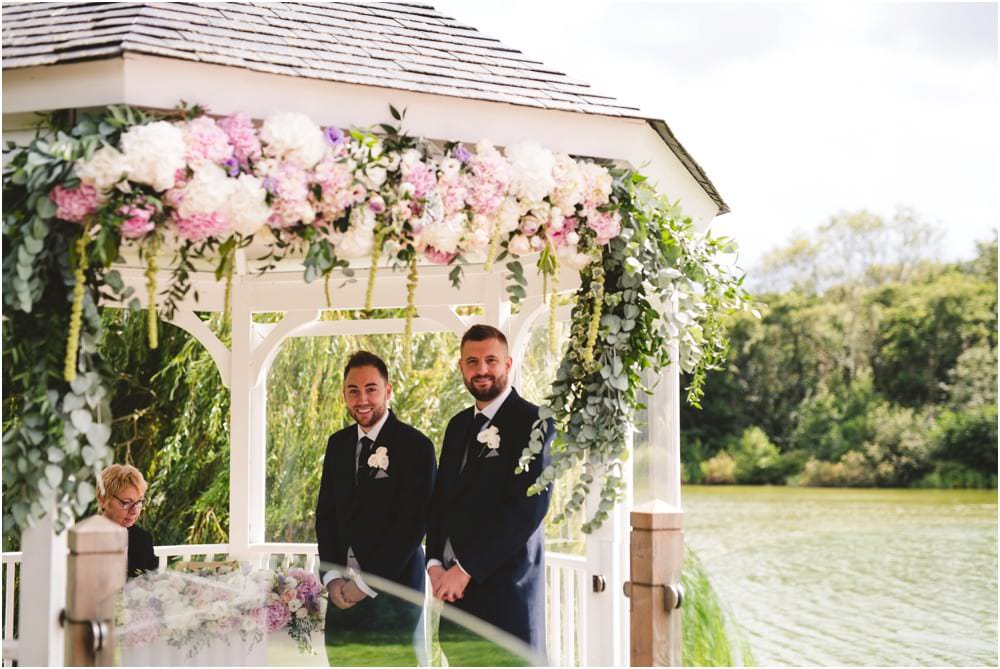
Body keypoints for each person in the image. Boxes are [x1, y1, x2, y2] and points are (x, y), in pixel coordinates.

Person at [426, 324, 554, 654]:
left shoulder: (536, 423)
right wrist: (435, 562)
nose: (481, 370)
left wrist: (466, 569)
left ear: (507, 364)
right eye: (472, 361)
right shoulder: (457, 427)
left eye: (490, 360)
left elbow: (527, 511)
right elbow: (441, 500)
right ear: (461, 367)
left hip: (507, 598)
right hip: (457, 599)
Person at [315, 351, 437, 664]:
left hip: (394, 592)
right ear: (344, 394)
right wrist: (332, 578)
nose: (362, 399)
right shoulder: (337, 444)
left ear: (388, 390)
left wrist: (365, 584)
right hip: (342, 594)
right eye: (353, 391)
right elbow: (326, 515)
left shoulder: (415, 446)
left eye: (371, 389)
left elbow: (412, 526)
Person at [98, 463, 159, 579]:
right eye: (127, 503)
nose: (134, 511)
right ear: (103, 500)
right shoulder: (86, 539)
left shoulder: (142, 539)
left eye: (139, 502)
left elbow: (153, 583)